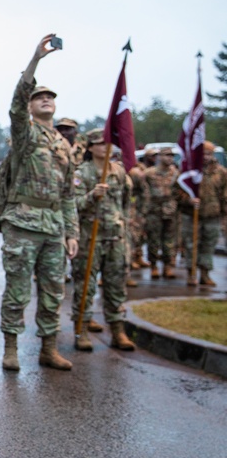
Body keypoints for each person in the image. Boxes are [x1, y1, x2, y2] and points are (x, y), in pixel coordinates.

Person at [0, 35, 79, 372]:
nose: (45, 99)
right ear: (31, 105)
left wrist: (71, 232)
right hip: (23, 223)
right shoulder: (26, 133)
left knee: (53, 291)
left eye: (50, 97)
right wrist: (35, 60)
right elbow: (16, 104)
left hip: (53, 226)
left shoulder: (63, 144)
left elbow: (67, 194)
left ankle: (48, 347)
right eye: (39, 96)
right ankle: (12, 348)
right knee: (17, 290)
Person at [70, 129, 135, 351]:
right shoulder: (82, 173)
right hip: (90, 238)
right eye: (99, 143)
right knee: (85, 286)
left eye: (108, 143)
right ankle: (82, 330)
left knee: (116, 286)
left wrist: (124, 228)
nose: (105, 147)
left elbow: (126, 204)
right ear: (89, 147)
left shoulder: (119, 172)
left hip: (115, 237)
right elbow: (72, 205)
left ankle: (118, 331)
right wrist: (91, 196)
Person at [178, 141, 227, 286]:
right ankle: (191, 274)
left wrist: (224, 213)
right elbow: (177, 192)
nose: (206, 157)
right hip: (191, 215)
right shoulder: (188, 171)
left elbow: (225, 195)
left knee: (209, 245)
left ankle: (205, 274)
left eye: (209, 154)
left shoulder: (221, 172)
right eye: (203, 153)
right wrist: (189, 200)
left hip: (212, 215)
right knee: (191, 245)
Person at [143, 147, 180, 279]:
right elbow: (142, 191)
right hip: (154, 210)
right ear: (159, 157)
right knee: (153, 240)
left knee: (169, 241)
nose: (169, 158)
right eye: (166, 155)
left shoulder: (176, 173)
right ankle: (153, 266)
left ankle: (167, 266)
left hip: (170, 210)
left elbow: (179, 192)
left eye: (171, 155)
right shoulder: (149, 173)